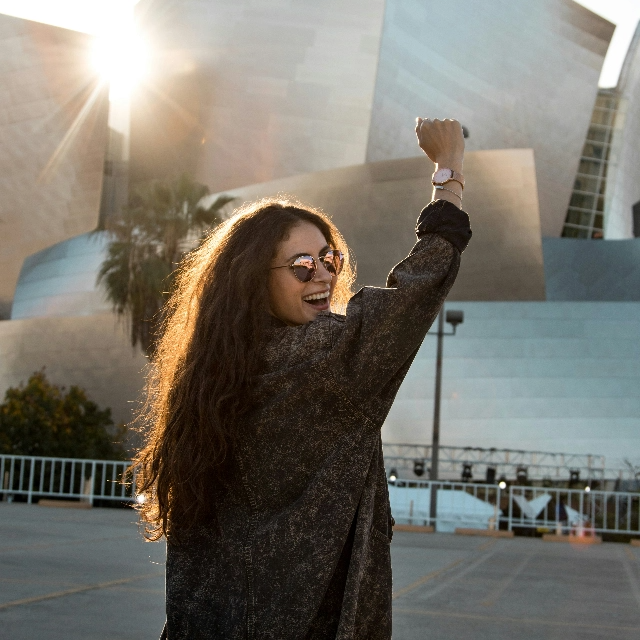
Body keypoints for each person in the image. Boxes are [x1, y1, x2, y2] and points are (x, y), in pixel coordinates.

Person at [135, 118, 471, 640]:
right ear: (253, 281)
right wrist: (447, 175)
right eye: (301, 264)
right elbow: (413, 294)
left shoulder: (212, 376)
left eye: (330, 259)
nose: (323, 274)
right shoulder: (316, 361)